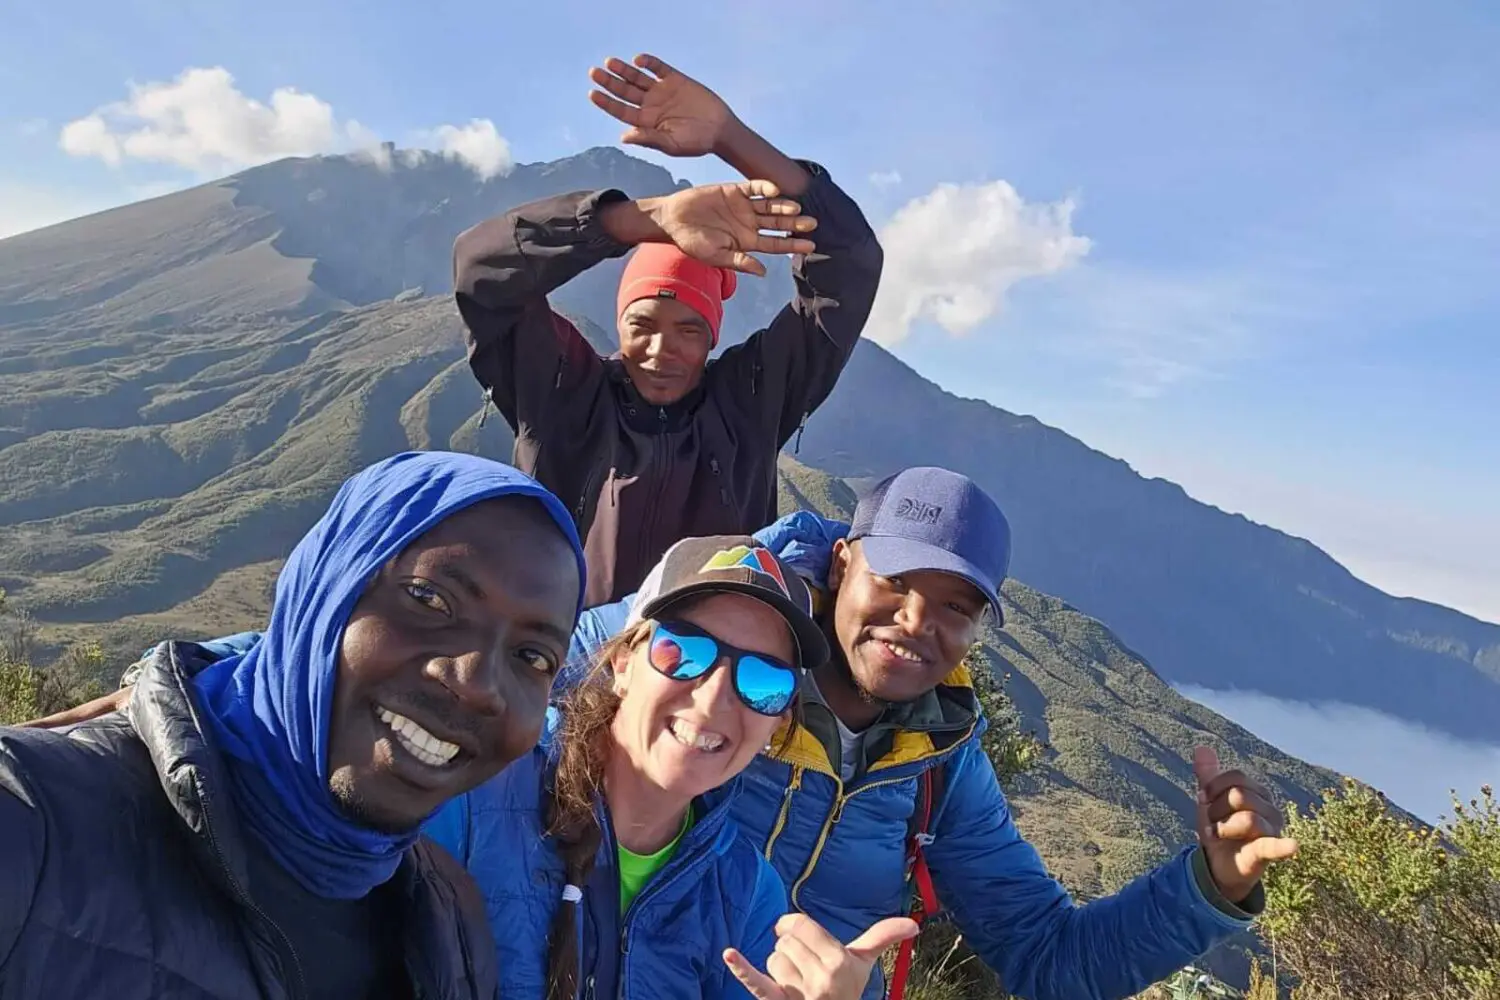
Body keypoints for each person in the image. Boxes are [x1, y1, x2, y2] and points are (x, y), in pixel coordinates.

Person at [566, 467, 1302, 1000]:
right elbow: (528, 680)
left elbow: (1050, 960)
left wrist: (1211, 884)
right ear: (842, 561)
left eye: (955, 605)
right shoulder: (704, 640)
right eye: (896, 582)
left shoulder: (938, 765)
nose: (917, 623)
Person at [0, 451, 586, 998]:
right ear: (323, 593)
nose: (477, 683)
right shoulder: (32, 824)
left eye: (532, 657)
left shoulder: (452, 922)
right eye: (429, 599)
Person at [455, 53, 883, 605]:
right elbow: (483, 267)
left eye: (689, 329)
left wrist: (731, 137)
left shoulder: (749, 402)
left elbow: (850, 263)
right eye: (642, 324)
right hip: (558, 677)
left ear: (713, 337)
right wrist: (641, 220)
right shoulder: (562, 392)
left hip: (704, 680)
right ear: (619, 321)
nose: (662, 350)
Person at [423, 535, 917, 1000]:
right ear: (623, 664)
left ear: (778, 723)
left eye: (763, 679)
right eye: (683, 650)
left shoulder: (744, 895)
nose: (713, 698)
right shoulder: (476, 792)